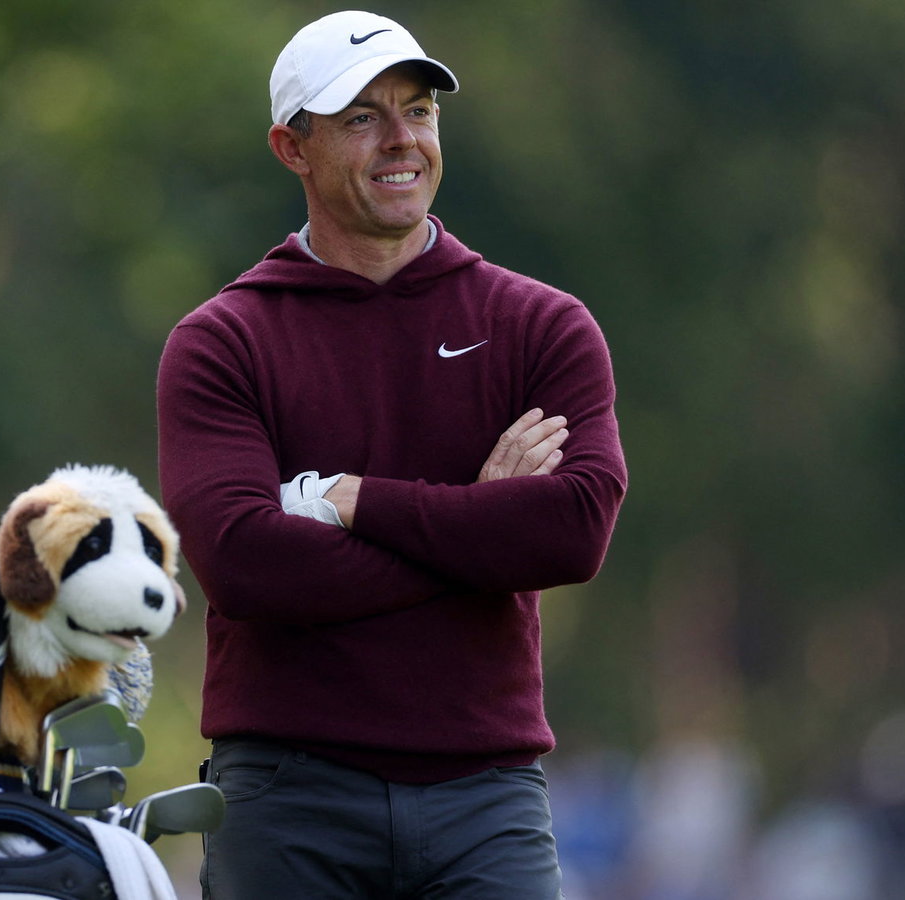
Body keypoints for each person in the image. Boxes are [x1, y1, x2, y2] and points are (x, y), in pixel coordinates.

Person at [156, 10, 627, 899]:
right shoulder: (222, 340)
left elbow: (571, 533)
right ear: (291, 149)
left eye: (419, 110)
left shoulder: (541, 325)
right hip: (286, 799)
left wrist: (353, 501)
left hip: (486, 797)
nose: (401, 139)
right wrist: (479, 521)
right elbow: (248, 565)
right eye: (361, 117)